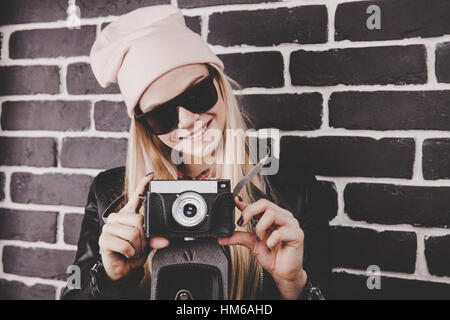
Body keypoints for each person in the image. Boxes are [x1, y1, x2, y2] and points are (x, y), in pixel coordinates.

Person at [60, 4, 330, 300]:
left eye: (196, 94)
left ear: (219, 84)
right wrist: (110, 280)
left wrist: (293, 284)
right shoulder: (110, 196)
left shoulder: (293, 190)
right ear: (144, 126)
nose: (188, 120)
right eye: (161, 115)